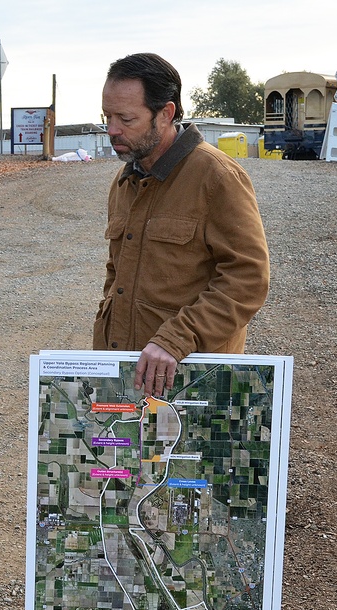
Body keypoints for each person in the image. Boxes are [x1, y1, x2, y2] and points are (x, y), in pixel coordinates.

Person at [95, 53, 270, 395]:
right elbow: (117, 272)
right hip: (127, 374)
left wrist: (177, 339)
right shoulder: (124, 180)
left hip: (190, 380)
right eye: (107, 116)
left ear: (166, 113)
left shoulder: (217, 177)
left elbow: (248, 278)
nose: (112, 129)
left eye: (126, 118)